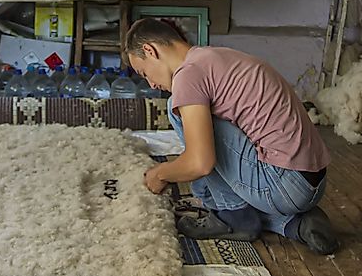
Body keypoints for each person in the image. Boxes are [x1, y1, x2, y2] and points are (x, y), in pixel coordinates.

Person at [125, 18, 338, 254]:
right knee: (203, 187)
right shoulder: (215, 57)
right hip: (313, 182)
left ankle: (232, 216)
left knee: (176, 110)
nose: (151, 84)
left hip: (283, 184)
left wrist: (160, 174)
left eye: (144, 73)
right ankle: (295, 224)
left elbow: (200, 162)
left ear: (150, 50)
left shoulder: (187, 76)